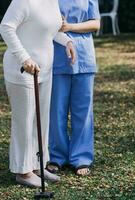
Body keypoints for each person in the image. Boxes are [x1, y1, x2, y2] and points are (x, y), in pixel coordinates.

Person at [0, 0, 76, 187]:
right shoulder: (23, 1)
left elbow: (50, 29)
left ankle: (37, 166)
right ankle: (23, 172)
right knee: (25, 121)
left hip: (44, 70)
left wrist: (67, 41)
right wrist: (24, 57)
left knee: (41, 120)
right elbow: (6, 27)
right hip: (22, 70)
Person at [47, 0, 100, 176]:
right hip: (57, 58)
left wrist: (69, 26)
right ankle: (57, 156)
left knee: (83, 112)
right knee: (56, 111)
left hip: (84, 58)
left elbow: (95, 23)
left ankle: (81, 158)